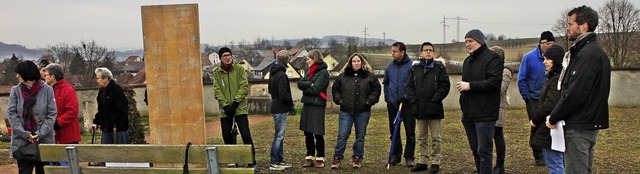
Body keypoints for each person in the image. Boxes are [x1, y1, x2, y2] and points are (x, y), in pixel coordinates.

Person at [547, 5, 611, 174]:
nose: (567, 28)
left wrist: (554, 117)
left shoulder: (587, 54)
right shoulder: (594, 52)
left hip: (580, 126)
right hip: (587, 123)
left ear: (583, 26)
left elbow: (576, 93)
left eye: (570, 24)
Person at [457, 29, 504, 174]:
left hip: (485, 113)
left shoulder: (493, 58)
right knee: (475, 150)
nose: (467, 44)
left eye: (470, 41)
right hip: (469, 113)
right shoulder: (467, 61)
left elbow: (494, 82)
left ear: (480, 41)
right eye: (465, 42)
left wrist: (470, 86)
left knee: (484, 151)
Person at [330, 53, 381, 169]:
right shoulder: (342, 76)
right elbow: (335, 89)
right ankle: (337, 158)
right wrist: (340, 101)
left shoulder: (370, 77)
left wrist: (368, 102)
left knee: (360, 136)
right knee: (342, 135)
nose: (356, 63)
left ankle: (357, 158)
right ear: (350, 63)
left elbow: (376, 91)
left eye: (358, 61)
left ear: (362, 63)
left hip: (363, 111)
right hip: (346, 111)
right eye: (354, 61)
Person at [407, 42, 450, 173]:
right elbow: (409, 86)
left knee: (436, 137)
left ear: (433, 52)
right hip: (419, 108)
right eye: (425, 50)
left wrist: (435, 100)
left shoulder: (439, 68)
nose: (428, 52)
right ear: (421, 53)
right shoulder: (415, 69)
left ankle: (435, 162)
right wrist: (414, 100)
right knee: (422, 137)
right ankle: (423, 161)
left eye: (430, 50)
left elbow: (445, 86)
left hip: (434, 107)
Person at [7, 61, 57, 174]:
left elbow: (51, 114)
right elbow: (12, 114)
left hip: (43, 141)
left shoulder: (47, 90)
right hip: (23, 143)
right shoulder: (15, 91)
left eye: (19, 73)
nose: (17, 76)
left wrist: (39, 133)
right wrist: (25, 134)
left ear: (27, 73)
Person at [212, 47, 255, 166]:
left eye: (229, 55)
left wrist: (235, 103)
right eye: (224, 55)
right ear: (221, 58)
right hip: (225, 110)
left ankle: (251, 160)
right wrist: (226, 106)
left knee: (246, 135)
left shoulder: (239, 69)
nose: (227, 57)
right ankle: (232, 159)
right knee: (227, 135)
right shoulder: (217, 72)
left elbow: (244, 86)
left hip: (240, 108)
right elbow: (217, 90)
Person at [518, 31, 556, 166]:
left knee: (551, 124)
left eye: (552, 44)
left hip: (550, 99)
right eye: (548, 44)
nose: (550, 46)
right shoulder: (529, 58)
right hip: (534, 99)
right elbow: (521, 79)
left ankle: (551, 152)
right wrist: (527, 97)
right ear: (541, 43)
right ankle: (538, 155)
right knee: (536, 125)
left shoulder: (555, 59)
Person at [530, 44, 566, 174]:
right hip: (551, 128)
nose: (544, 62)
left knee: (555, 163)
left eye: (547, 59)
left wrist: (535, 119)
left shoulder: (557, 79)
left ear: (555, 60)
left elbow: (550, 105)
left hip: (552, 129)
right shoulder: (555, 77)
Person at [383, 42, 415, 167]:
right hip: (392, 104)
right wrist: (387, 96)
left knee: (410, 131)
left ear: (403, 52)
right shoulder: (390, 66)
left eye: (395, 51)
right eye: (392, 51)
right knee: (394, 131)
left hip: (407, 104)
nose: (393, 53)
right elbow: (386, 83)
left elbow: (414, 85)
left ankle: (409, 157)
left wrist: (406, 98)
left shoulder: (411, 66)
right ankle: (396, 155)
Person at [297, 49, 330, 168]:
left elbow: (316, 89)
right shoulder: (309, 72)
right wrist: (310, 84)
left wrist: (309, 86)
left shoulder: (324, 73)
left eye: (308, 59)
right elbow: (300, 84)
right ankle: (309, 156)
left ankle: (320, 157)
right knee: (307, 132)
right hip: (307, 104)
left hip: (317, 105)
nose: (307, 61)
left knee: (317, 132)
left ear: (315, 58)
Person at [44, 63, 81, 166]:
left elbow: (72, 112)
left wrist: (57, 123)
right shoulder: (48, 90)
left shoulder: (68, 90)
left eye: (46, 75)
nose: (44, 77)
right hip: (53, 137)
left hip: (67, 136)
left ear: (52, 76)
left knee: (67, 167)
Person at [268, 50, 294, 171]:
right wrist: (290, 103)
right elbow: (284, 94)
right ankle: (274, 161)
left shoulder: (273, 73)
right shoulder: (282, 75)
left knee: (280, 135)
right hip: (281, 107)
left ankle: (279, 160)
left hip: (275, 105)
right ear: (286, 60)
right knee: (279, 136)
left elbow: (270, 90)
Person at [488, 46, 512, 174]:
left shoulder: (505, 72)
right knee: (486, 137)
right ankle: (486, 163)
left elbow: (501, 89)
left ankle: (500, 165)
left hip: (498, 107)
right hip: (486, 107)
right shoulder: (490, 71)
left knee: (497, 135)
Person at [92, 67, 129, 144]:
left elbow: (122, 111)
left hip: (118, 129)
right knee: (106, 153)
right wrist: (96, 121)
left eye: (98, 78)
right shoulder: (101, 91)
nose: (97, 81)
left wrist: (110, 120)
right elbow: (101, 110)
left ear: (106, 78)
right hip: (106, 129)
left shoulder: (117, 90)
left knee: (120, 153)